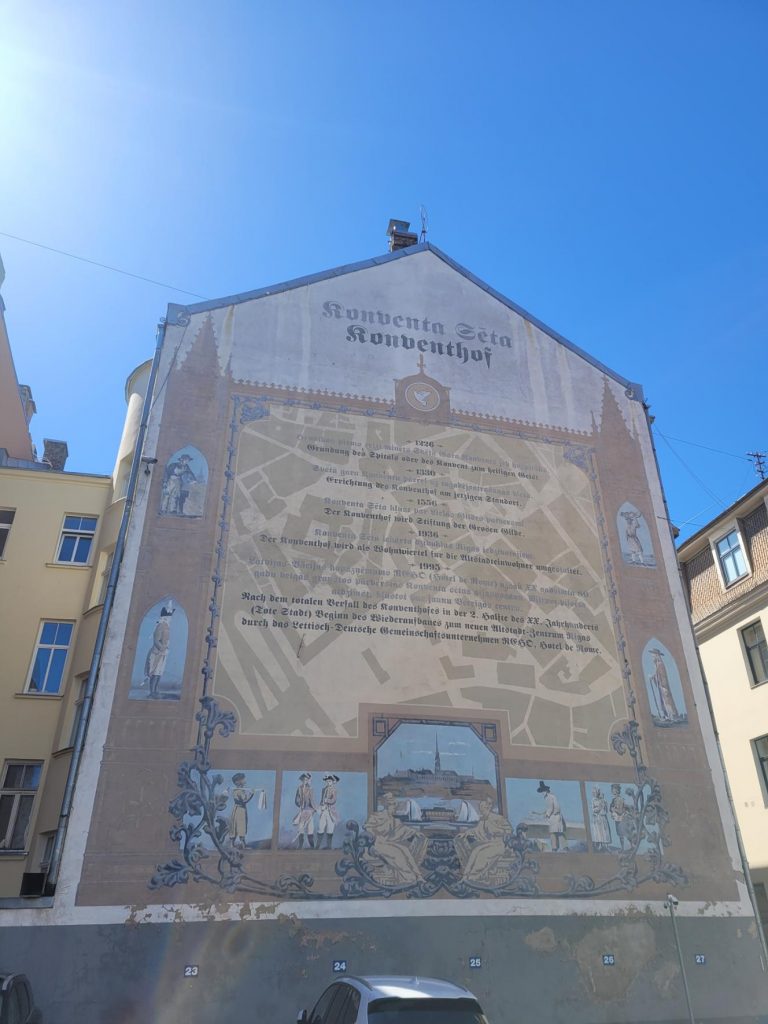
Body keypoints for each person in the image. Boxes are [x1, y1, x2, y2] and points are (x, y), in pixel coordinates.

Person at [364, 793, 426, 886]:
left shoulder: (393, 820)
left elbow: (402, 829)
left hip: (387, 844)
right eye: (393, 806)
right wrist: (374, 836)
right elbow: (368, 828)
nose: (394, 809)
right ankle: (408, 878)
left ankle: (418, 875)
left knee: (405, 850)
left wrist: (415, 833)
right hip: (376, 845)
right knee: (398, 854)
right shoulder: (376, 816)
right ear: (387, 806)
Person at [457, 798, 512, 884]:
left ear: (488, 807)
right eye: (480, 807)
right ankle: (465, 876)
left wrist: (498, 831)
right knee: (475, 852)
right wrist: (465, 833)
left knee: (482, 855)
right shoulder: (483, 820)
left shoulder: (498, 818)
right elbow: (475, 830)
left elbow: (509, 830)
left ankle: (473, 877)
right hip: (489, 844)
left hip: (499, 845)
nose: (480, 809)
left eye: (482, 807)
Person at [144, 603, 174, 699]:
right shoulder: (160, 626)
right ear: (164, 617)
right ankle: (152, 692)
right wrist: (162, 648)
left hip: (163, 653)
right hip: (156, 653)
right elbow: (156, 640)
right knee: (154, 673)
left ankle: (155, 690)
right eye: (169, 617)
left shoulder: (167, 627)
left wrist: (166, 649)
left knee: (159, 672)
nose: (170, 618)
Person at [649, 648, 681, 722]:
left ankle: (672, 716)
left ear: (657, 655)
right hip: (661, 686)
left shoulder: (660, 665)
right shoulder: (657, 665)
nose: (652, 657)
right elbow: (657, 674)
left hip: (663, 686)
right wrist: (653, 677)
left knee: (667, 701)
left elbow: (663, 676)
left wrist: (664, 687)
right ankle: (667, 716)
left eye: (653, 656)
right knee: (663, 701)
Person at [534, 781, 567, 852]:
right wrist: (542, 813)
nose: (542, 793)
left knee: (554, 833)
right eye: (541, 791)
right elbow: (549, 808)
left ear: (546, 791)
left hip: (555, 817)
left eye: (543, 791)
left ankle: (555, 848)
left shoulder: (549, 797)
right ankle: (563, 847)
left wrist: (547, 815)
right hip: (556, 816)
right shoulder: (552, 796)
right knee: (558, 832)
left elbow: (551, 808)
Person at [228, 773, 255, 849]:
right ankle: (238, 845)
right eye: (243, 779)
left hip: (240, 809)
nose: (244, 780)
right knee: (240, 826)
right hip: (239, 810)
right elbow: (244, 800)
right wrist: (251, 794)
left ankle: (239, 844)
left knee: (239, 826)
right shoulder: (238, 791)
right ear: (238, 781)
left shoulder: (240, 790)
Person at [293, 773, 317, 848]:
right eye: (303, 780)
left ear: (308, 780)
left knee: (310, 829)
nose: (305, 781)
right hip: (302, 811)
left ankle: (312, 846)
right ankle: (300, 846)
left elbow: (312, 800)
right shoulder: (299, 788)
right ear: (302, 780)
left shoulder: (310, 789)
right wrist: (299, 803)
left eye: (306, 780)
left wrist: (315, 808)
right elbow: (296, 799)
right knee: (300, 828)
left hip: (309, 811)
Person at [317, 774, 340, 849]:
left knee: (330, 829)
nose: (328, 782)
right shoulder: (324, 789)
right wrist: (320, 807)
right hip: (323, 810)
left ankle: (329, 846)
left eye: (329, 781)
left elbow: (334, 800)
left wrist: (327, 800)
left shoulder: (334, 790)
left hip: (331, 811)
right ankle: (317, 846)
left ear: (333, 782)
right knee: (320, 827)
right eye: (327, 781)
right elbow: (321, 800)